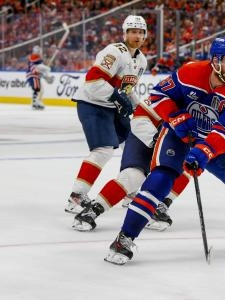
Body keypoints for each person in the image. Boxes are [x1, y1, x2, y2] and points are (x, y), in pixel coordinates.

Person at [104, 37, 225, 265]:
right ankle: (124, 239)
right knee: (160, 181)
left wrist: (203, 151)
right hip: (177, 134)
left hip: (210, 140)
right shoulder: (190, 72)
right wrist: (176, 117)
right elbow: (159, 96)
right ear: (215, 60)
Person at [64, 15, 148, 214]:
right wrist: (117, 96)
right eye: (133, 31)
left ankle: (129, 192)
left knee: (137, 144)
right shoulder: (114, 51)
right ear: (125, 33)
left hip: (111, 107)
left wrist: (140, 107)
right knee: (103, 150)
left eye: (140, 32)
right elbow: (93, 82)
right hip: (92, 104)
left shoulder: (141, 60)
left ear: (145, 35)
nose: (137, 36)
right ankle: (76, 197)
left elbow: (126, 90)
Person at [72, 102, 191, 231]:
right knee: (133, 176)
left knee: (188, 167)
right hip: (145, 136)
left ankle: (158, 205)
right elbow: (139, 117)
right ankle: (92, 210)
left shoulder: (210, 103)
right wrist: (157, 139)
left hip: (173, 141)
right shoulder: (174, 89)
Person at [26, 45, 54, 110]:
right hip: (33, 75)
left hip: (35, 75)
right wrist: (47, 70)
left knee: (41, 90)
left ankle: (36, 102)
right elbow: (38, 67)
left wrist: (46, 76)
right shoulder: (34, 56)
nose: (39, 52)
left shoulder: (36, 57)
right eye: (38, 51)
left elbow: (39, 70)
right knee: (37, 89)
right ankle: (35, 102)